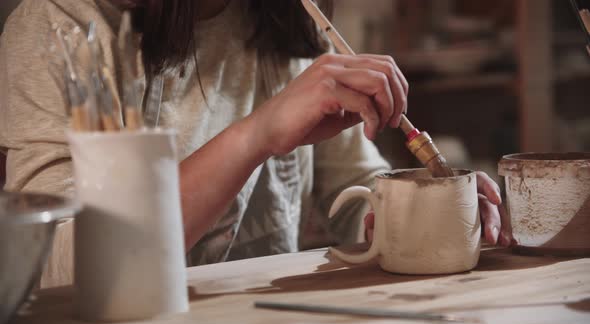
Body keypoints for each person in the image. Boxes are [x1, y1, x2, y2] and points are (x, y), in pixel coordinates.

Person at [0, 0, 511, 287]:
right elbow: (54, 269)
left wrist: (422, 215)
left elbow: (352, 190)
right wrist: (256, 135)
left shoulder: (282, 22)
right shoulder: (59, 27)